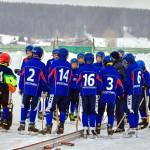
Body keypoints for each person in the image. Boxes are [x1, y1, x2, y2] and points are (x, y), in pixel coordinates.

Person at [39, 48, 72, 135]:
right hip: (65, 91)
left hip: (55, 90)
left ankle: (48, 127)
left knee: (49, 108)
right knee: (63, 110)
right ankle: (61, 127)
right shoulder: (69, 65)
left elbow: (50, 76)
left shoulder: (55, 63)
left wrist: (49, 84)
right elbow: (70, 77)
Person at [18, 46, 48, 133]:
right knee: (34, 107)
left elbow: (22, 76)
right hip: (36, 89)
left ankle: (22, 124)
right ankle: (31, 125)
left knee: (24, 106)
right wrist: (45, 89)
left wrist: (20, 87)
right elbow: (43, 79)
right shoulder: (42, 65)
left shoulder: (26, 63)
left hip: (26, 88)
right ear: (40, 54)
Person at [76, 53, 103, 138]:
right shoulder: (95, 70)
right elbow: (100, 82)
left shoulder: (81, 69)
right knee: (93, 111)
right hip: (93, 93)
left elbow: (77, 82)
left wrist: (80, 88)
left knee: (85, 110)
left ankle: (85, 128)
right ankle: (92, 128)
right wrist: (98, 90)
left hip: (84, 93)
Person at [96, 56, 123, 136]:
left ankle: (97, 127)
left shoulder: (102, 71)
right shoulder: (116, 72)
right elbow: (120, 85)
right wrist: (120, 94)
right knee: (110, 113)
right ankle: (110, 128)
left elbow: (99, 82)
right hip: (112, 95)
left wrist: (98, 91)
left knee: (100, 111)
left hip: (103, 94)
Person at [123, 53, 143, 137]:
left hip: (131, 92)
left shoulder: (130, 68)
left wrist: (123, 90)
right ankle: (135, 128)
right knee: (135, 110)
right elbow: (141, 80)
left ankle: (132, 127)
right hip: (138, 91)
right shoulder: (139, 67)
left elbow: (128, 81)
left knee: (130, 109)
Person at [38, 49, 59, 120]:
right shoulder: (49, 61)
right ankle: (47, 110)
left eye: (57, 54)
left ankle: (55, 111)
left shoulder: (60, 62)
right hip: (50, 82)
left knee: (56, 97)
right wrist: (46, 82)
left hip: (57, 83)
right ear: (53, 55)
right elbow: (46, 72)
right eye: (55, 54)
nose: (56, 56)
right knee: (48, 97)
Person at [0, 53, 17, 130]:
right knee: (5, 105)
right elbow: (13, 81)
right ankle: (5, 121)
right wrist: (14, 84)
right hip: (5, 90)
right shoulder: (8, 70)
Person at [110, 51, 126, 133]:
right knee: (118, 109)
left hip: (120, 91)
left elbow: (121, 79)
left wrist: (121, 90)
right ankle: (120, 125)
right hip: (118, 90)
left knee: (120, 109)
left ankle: (121, 127)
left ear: (114, 58)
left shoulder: (119, 65)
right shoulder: (117, 64)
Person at [137, 60, 150, 129]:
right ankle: (143, 119)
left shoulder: (147, 73)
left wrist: (147, 85)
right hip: (140, 92)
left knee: (145, 107)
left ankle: (147, 120)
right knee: (140, 106)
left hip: (146, 93)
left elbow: (149, 82)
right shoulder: (140, 73)